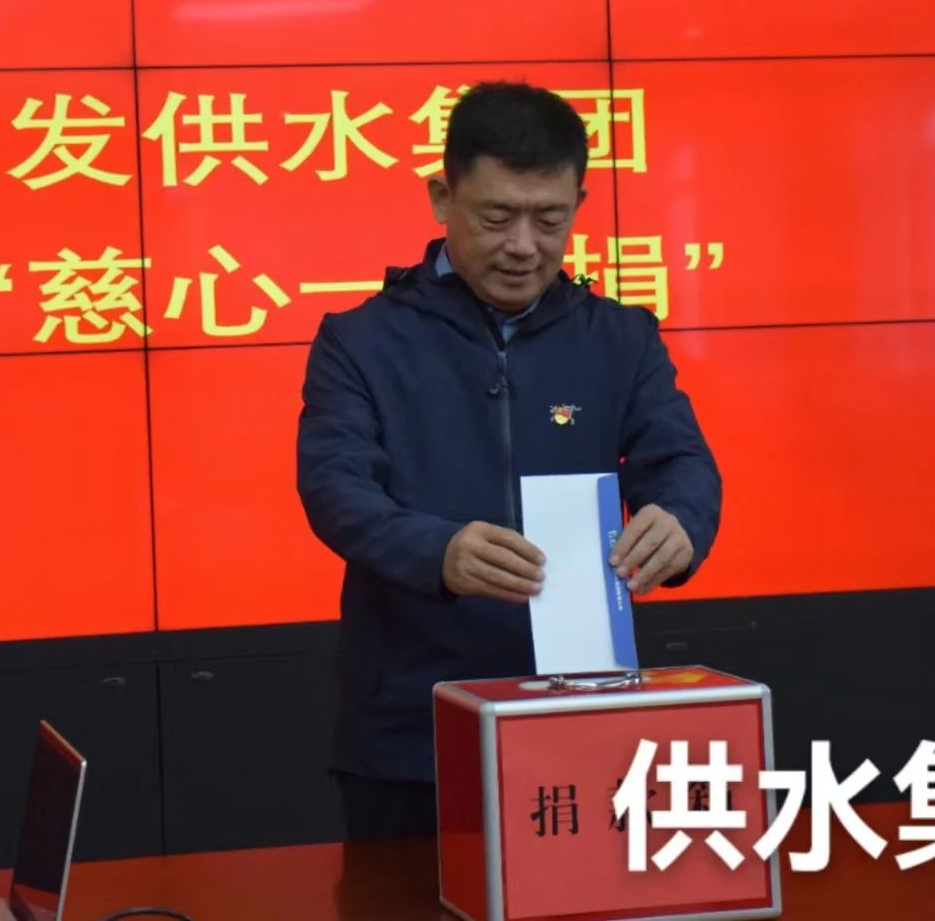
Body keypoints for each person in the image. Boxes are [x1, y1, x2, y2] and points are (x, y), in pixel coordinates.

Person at [296, 80, 722, 841]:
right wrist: (438, 551)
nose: (524, 245)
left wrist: (681, 518)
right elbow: (335, 487)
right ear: (442, 197)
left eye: (550, 220)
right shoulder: (361, 341)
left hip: (579, 709)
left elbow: (681, 459)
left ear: (578, 205)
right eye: (496, 217)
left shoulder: (618, 337)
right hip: (410, 724)